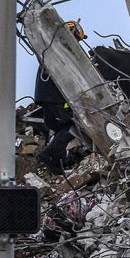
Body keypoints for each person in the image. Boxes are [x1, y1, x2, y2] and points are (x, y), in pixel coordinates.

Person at [35, 21, 87, 175]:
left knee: (60, 128)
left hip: (45, 97)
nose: (77, 43)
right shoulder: (62, 50)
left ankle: (57, 163)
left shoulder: (51, 48)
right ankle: (48, 154)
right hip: (55, 97)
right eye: (77, 38)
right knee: (77, 124)